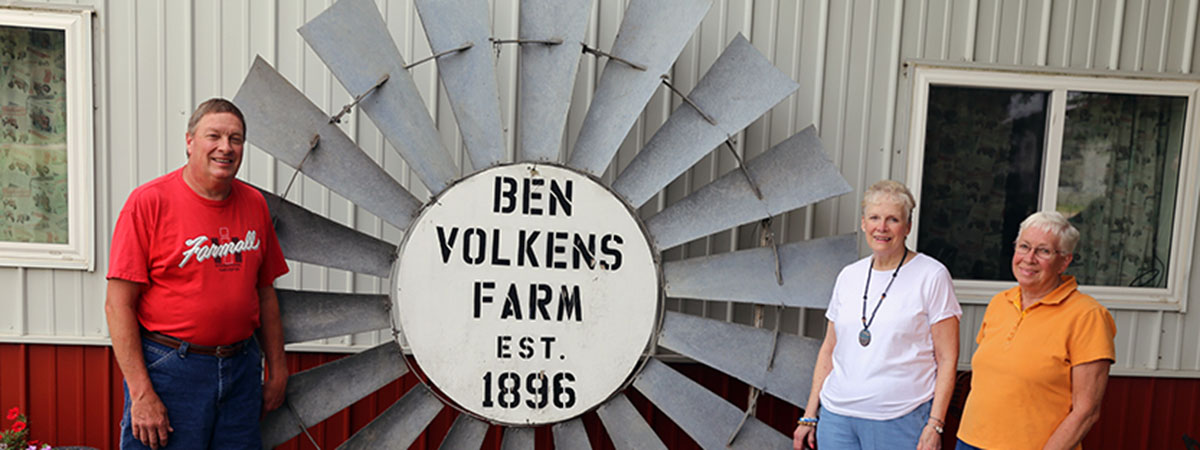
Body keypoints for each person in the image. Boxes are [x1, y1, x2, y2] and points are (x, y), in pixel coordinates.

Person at [105, 98, 290, 449]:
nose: (225, 147)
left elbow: (266, 293)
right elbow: (118, 306)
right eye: (214, 136)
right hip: (171, 369)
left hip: (241, 370)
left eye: (235, 139)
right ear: (190, 141)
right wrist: (142, 393)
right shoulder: (149, 203)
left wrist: (277, 369)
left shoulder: (254, 204)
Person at [795, 180, 962, 450]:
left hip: (899, 419)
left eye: (893, 219)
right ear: (863, 223)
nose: (881, 228)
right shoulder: (849, 275)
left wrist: (935, 424)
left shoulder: (932, 275)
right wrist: (809, 414)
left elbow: (947, 357)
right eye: (874, 218)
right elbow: (829, 349)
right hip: (837, 418)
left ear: (907, 227)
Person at [956, 211, 1116, 450]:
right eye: (1024, 247)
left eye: (1044, 251)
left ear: (1064, 261)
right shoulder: (1000, 302)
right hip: (971, 441)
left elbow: (1087, 411)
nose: (1029, 258)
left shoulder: (1088, 316)